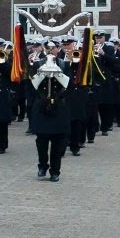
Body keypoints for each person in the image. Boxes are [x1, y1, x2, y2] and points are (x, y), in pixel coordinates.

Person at [29, 41, 71, 182]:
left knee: (58, 141)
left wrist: (56, 72)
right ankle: (42, 165)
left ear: (58, 50)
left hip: (58, 105)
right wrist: (43, 72)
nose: (50, 50)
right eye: (47, 48)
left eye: (53, 48)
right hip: (42, 105)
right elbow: (33, 85)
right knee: (41, 140)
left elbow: (68, 85)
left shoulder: (64, 64)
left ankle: (55, 170)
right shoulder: (37, 64)